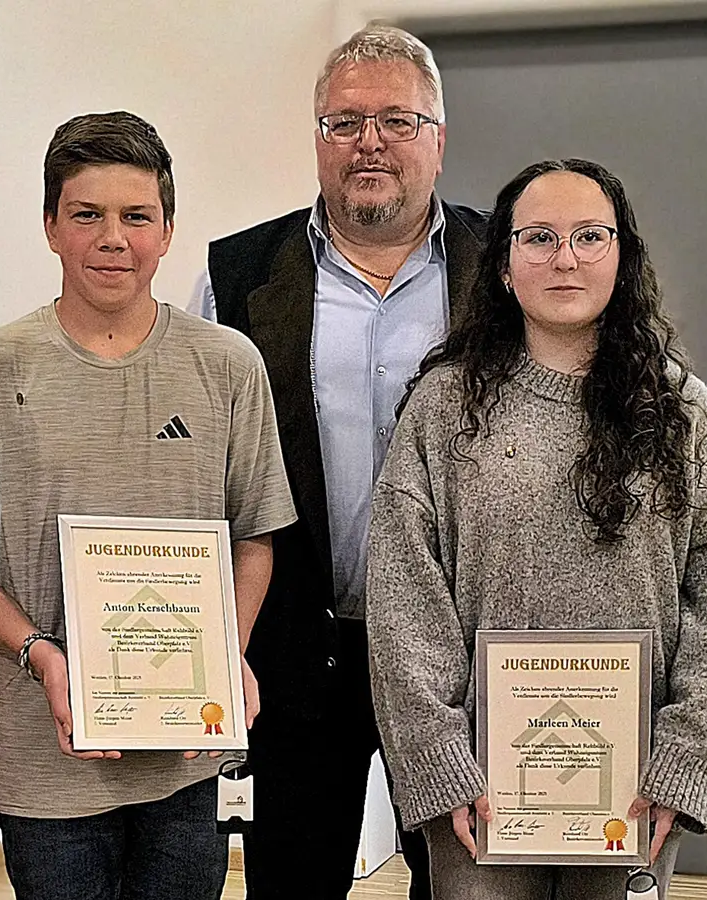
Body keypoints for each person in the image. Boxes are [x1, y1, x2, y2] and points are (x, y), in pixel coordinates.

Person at [0, 111, 297, 900]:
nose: (113, 237)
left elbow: (256, 533)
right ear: (51, 226)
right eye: (87, 214)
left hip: (188, 751)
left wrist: (226, 651)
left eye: (136, 216)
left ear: (168, 229)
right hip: (44, 756)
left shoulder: (229, 365)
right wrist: (38, 654)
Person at [366, 158, 707, 900]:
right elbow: (403, 597)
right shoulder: (444, 409)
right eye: (539, 237)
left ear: (622, 255)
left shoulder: (684, 415)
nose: (566, 257)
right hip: (478, 793)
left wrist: (687, 758)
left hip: (633, 787)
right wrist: (438, 759)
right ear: (505, 267)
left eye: (590, 236)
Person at [196, 24, 486, 899]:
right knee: (290, 882)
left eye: (397, 120)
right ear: (317, 136)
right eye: (344, 122)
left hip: (456, 662)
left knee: (460, 884)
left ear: (440, 137)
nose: (369, 143)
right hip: (291, 656)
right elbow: (207, 473)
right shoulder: (237, 277)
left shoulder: (502, 265)